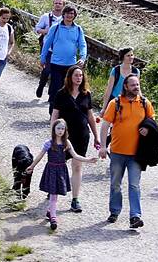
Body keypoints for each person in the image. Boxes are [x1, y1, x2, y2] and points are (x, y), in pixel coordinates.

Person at [99, 74, 155, 229]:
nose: (136, 88)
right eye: (133, 85)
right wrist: (103, 146)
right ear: (125, 86)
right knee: (115, 183)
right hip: (117, 152)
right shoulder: (115, 103)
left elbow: (152, 122)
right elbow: (105, 125)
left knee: (134, 185)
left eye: (137, 85)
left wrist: (147, 128)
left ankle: (135, 216)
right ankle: (115, 211)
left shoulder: (144, 103)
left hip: (137, 153)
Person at [25, 119, 99, 231]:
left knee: (56, 193)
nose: (60, 131)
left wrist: (88, 160)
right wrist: (32, 166)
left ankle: (50, 211)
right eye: (58, 128)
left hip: (61, 170)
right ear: (54, 129)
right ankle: (53, 218)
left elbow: (75, 156)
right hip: (51, 170)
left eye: (62, 128)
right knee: (53, 195)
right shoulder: (49, 143)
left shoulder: (67, 143)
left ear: (65, 130)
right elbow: (40, 156)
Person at [50, 66, 100, 213]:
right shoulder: (61, 94)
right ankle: (53, 189)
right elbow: (55, 115)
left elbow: (90, 116)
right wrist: (53, 135)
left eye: (81, 75)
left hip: (82, 136)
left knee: (77, 167)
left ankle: (75, 199)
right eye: (76, 75)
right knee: (58, 164)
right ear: (70, 77)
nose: (79, 78)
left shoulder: (86, 94)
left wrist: (96, 137)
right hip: (63, 136)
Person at [39, 6, 87, 113]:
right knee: (56, 88)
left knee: (69, 89)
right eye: (68, 13)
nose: (70, 16)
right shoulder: (55, 28)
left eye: (72, 14)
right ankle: (53, 111)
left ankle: (64, 111)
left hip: (70, 65)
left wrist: (82, 57)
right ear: (63, 14)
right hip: (56, 63)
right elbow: (47, 44)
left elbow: (82, 45)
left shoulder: (78, 29)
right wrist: (42, 58)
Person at [34, 0, 66, 98]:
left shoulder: (65, 19)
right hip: (47, 47)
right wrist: (46, 31)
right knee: (47, 70)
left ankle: (51, 94)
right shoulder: (46, 17)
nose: (58, 5)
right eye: (56, 3)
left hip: (60, 49)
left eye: (60, 3)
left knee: (56, 72)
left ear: (63, 5)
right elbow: (37, 29)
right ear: (53, 4)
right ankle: (41, 85)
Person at [100, 47, 141, 116]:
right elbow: (109, 89)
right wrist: (104, 108)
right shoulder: (115, 70)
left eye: (132, 55)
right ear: (123, 57)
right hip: (115, 101)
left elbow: (137, 89)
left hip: (129, 102)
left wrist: (142, 103)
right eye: (128, 55)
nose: (131, 57)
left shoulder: (136, 71)